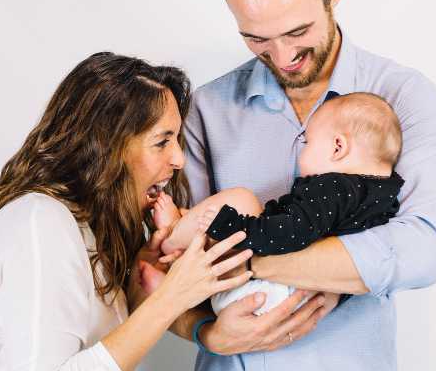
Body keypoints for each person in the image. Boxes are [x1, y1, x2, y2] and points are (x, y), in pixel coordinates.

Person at [174, 0, 436, 371]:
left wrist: (258, 261)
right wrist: (204, 332)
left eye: (297, 31)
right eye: (256, 39)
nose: (282, 56)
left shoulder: (402, 97)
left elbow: (421, 249)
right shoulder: (208, 109)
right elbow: (168, 270)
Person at [0, 52, 255, 371]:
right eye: (162, 141)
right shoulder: (40, 223)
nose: (179, 159)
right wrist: (170, 299)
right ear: (107, 147)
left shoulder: (84, 233)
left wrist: (137, 296)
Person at [144, 92, 405, 316]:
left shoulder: (333, 187)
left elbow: (289, 233)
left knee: (241, 201)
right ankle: (174, 269)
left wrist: (229, 224)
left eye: (307, 143)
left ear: (338, 147)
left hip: (275, 290)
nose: (301, 153)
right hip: (308, 298)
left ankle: (173, 240)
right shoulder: (382, 198)